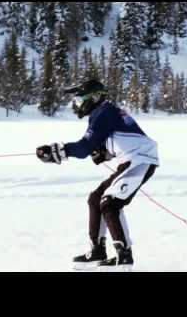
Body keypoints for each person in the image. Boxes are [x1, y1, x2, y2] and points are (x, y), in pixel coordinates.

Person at [36, 79, 159, 269]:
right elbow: (123, 135)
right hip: (133, 159)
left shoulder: (103, 113)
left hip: (140, 160)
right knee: (96, 199)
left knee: (109, 203)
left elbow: (84, 148)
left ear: (93, 97)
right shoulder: (105, 111)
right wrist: (106, 151)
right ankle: (97, 251)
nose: (75, 104)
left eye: (78, 99)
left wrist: (56, 151)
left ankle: (124, 256)